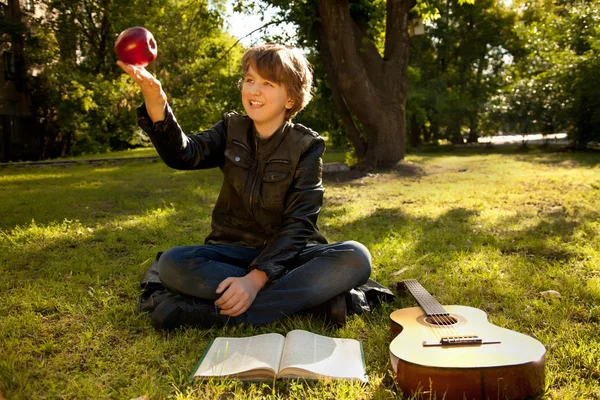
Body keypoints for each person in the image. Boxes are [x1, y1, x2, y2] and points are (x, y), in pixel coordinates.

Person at [118, 44, 372, 330]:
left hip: (288, 256)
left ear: (290, 98)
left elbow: (300, 224)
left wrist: (256, 279)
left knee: (356, 256)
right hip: (231, 253)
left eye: (267, 83)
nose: (254, 91)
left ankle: (224, 315)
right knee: (173, 263)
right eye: (250, 80)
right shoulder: (230, 129)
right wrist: (156, 101)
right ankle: (310, 300)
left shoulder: (306, 146)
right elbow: (183, 154)